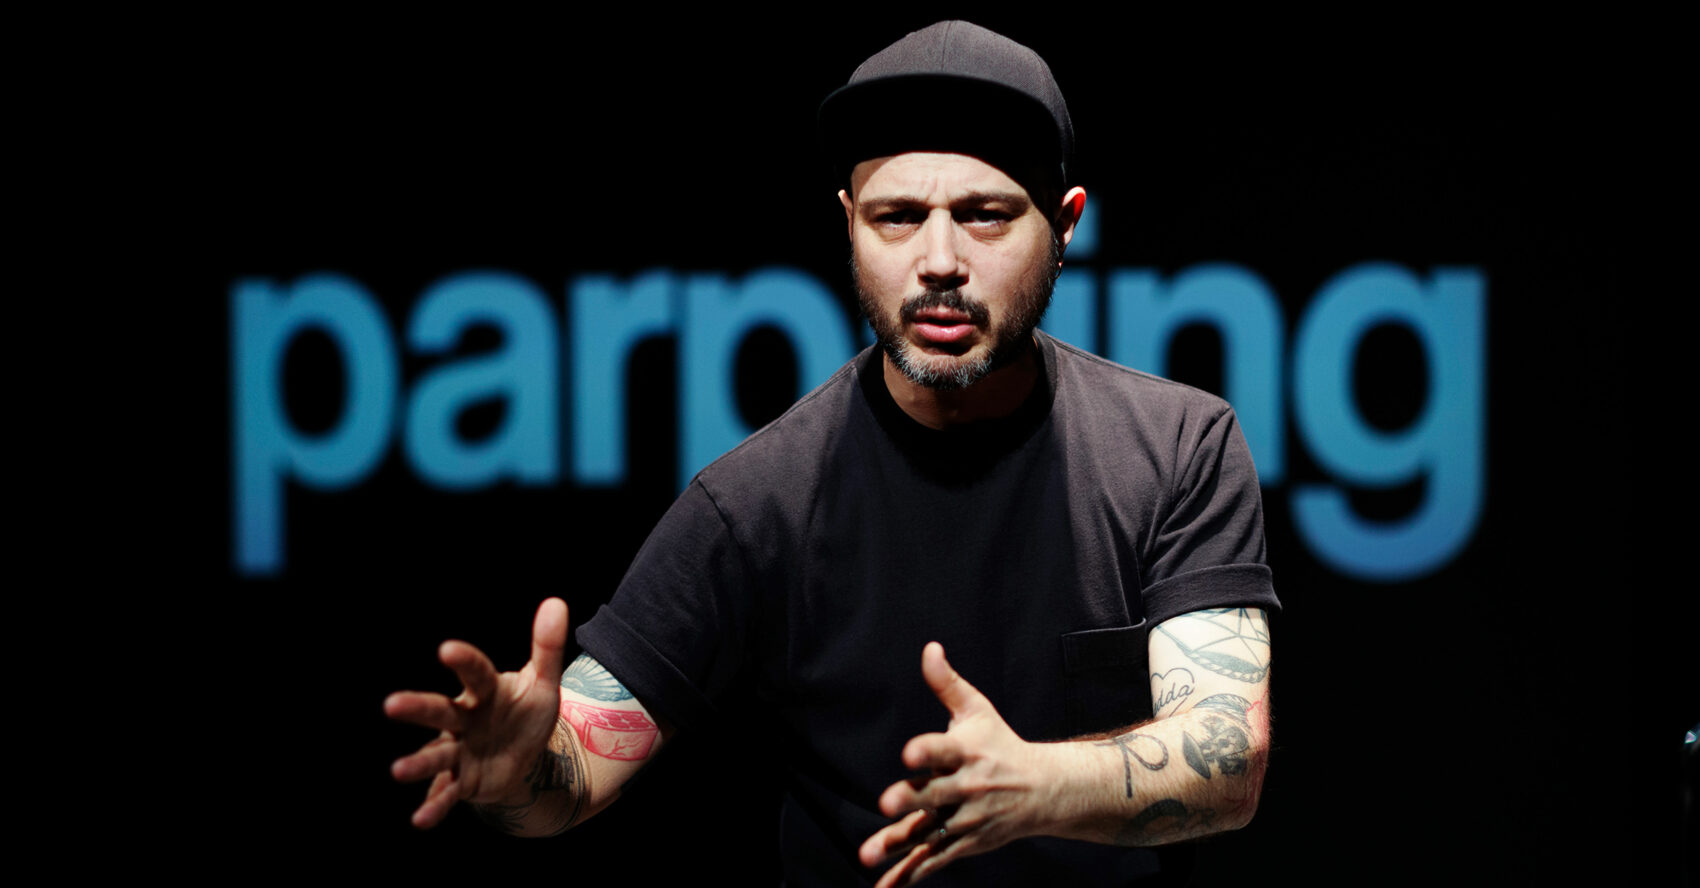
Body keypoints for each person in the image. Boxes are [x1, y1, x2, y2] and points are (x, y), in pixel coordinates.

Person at [386, 21, 1278, 887]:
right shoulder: (758, 501)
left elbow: (1228, 762)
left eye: (986, 216)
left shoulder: (1177, 449)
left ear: (1067, 223)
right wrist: (519, 777)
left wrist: (1039, 787)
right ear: (849, 224)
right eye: (897, 217)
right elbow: (573, 768)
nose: (939, 259)